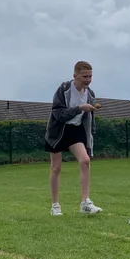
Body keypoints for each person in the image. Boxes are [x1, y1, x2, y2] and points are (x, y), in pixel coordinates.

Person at [44, 60, 102, 216]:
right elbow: (58, 114)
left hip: (76, 130)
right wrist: (79, 108)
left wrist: (91, 133)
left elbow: (89, 119)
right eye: (85, 76)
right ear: (75, 76)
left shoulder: (90, 94)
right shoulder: (63, 90)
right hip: (58, 131)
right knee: (56, 168)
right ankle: (55, 205)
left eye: (90, 76)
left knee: (85, 160)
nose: (88, 80)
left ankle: (85, 203)